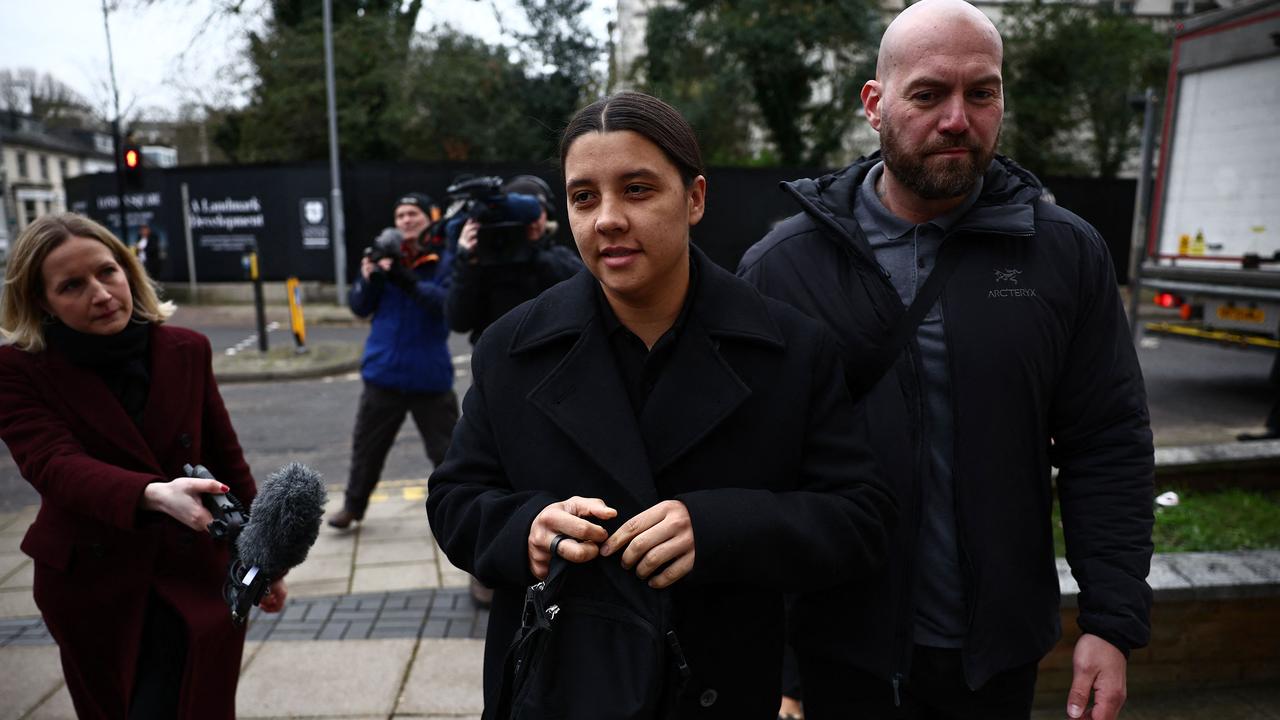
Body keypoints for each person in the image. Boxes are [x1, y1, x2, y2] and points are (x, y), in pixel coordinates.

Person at [738, 1, 1155, 718]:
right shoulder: (782, 268)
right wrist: (770, 660)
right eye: (928, 94)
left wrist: (1110, 623)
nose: (957, 118)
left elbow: (1106, 444)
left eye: (982, 92)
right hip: (833, 658)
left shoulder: (1063, 254)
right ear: (875, 104)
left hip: (992, 661)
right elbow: (749, 471)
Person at [426, 91, 895, 719]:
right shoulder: (511, 347)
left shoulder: (790, 348)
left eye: (638, 190)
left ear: (695, 198)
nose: (608, 219)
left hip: (717, 686)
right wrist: (527, 530)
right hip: (558, 685)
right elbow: (456, 500)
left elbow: (860, 518)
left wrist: (719, 528)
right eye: (583, 197)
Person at [0, 212, 286, 719]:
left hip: (195, 573)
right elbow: (53, 464)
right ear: (41, 301)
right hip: (94, 585)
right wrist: (152, 494)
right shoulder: (18, 370)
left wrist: (264, 555)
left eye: (107, 271)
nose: (101, 293)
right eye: (72, 285)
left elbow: (227, 460)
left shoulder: (186, 349)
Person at [328, 192, 459, 529]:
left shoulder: (443, 259)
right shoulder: (384, 257)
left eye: (413, 214)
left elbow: (444, 305)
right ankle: (353, 508)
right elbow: (359, 306)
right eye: (400, 215)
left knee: (450, 455)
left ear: (428, 219)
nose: (406, 220)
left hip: (429, 376)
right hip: (383, 373)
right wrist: (370, 276)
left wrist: (405, 276)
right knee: (367, 450)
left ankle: (461, 514)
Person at [446, 174, 584, 345]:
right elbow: (459, 322)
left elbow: (583, 296)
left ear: (547, 215)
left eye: (537, 211)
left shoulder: (559, 257)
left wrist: (531, 253)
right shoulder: (480, 262)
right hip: (497, 364)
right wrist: (466, 262)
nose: (530, 221)